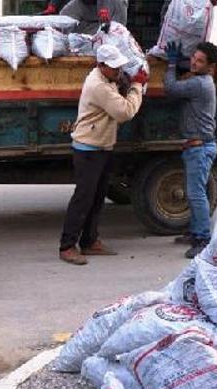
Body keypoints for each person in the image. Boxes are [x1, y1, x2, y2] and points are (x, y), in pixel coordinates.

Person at [59, 45, 148, 265]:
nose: (118, 71)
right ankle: (67, 246)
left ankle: (90, 241)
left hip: (101, 146)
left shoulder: (105, 78)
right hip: (89, 149)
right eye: (114, 67)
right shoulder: (99, 86)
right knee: (83, 199)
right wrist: (137, 86)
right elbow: (125, 111)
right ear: (101, 66)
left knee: (97, 198)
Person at [163, 41, 217, 259]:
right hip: (198, 147)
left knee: (196, 194)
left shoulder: (199, 84)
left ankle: (203, 239)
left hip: (199, 148)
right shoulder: (202, 80)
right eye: (193, 59)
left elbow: (171, 88)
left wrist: (171, 64)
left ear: (210, 66)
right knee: (196, 192)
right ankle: (195, 232)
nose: (194, 63)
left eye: (200, 61)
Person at [59, 0, 128, 34]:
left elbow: (118, 31)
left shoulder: (117, 3)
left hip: (110, 41)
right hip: (85, 41)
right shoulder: (74, 6)